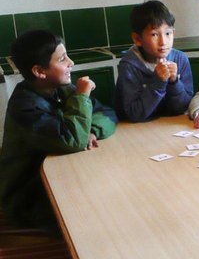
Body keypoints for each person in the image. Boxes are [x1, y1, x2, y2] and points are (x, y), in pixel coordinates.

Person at [0, 30, 117, 235]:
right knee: (102, 218)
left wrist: (91, 130)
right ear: (39, 71)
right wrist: (82, 97)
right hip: (29, 200)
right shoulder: (25, 106)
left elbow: (108, 113)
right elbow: (72, 141)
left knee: (112, 198)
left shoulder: (59, 88)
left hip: (60, 185)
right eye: (62, 59)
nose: (70, 62)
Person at [115, 0, 194, 122]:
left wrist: (174, 82)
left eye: (168, 33)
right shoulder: (129, 66)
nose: (163, 42)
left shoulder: (180, 59)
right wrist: (158, 82)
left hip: (169, 126)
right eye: (154, 35)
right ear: (137, 39)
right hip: (137, 129)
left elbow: (183, 107)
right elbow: (133, 114)